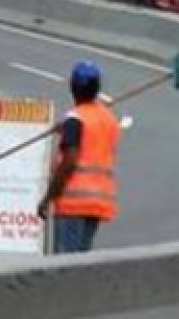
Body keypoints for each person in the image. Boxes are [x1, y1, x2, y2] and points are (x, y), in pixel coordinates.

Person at [37, 61, 121, 254]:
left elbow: (70, 161)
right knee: (81, 262)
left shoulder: (76, 119)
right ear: (98, 87)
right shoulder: (108, 119)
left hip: (73, 203)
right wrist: (67, 130)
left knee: (65, 263)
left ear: (72, 87)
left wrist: (48, 197)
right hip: (98, 201)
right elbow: (92, 140)